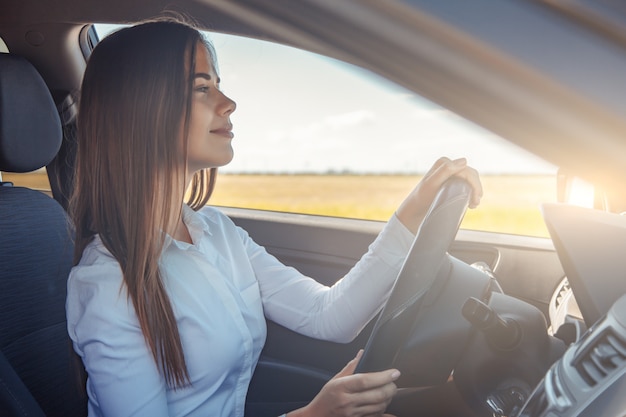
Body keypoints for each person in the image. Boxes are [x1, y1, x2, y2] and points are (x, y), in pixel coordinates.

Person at [66, 18, 482, 417]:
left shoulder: (217, 232)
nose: (228, 103)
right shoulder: (107, 284)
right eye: (201, 88)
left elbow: (329, 315)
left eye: (219, 85)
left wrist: (415, 209)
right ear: (144, 108)